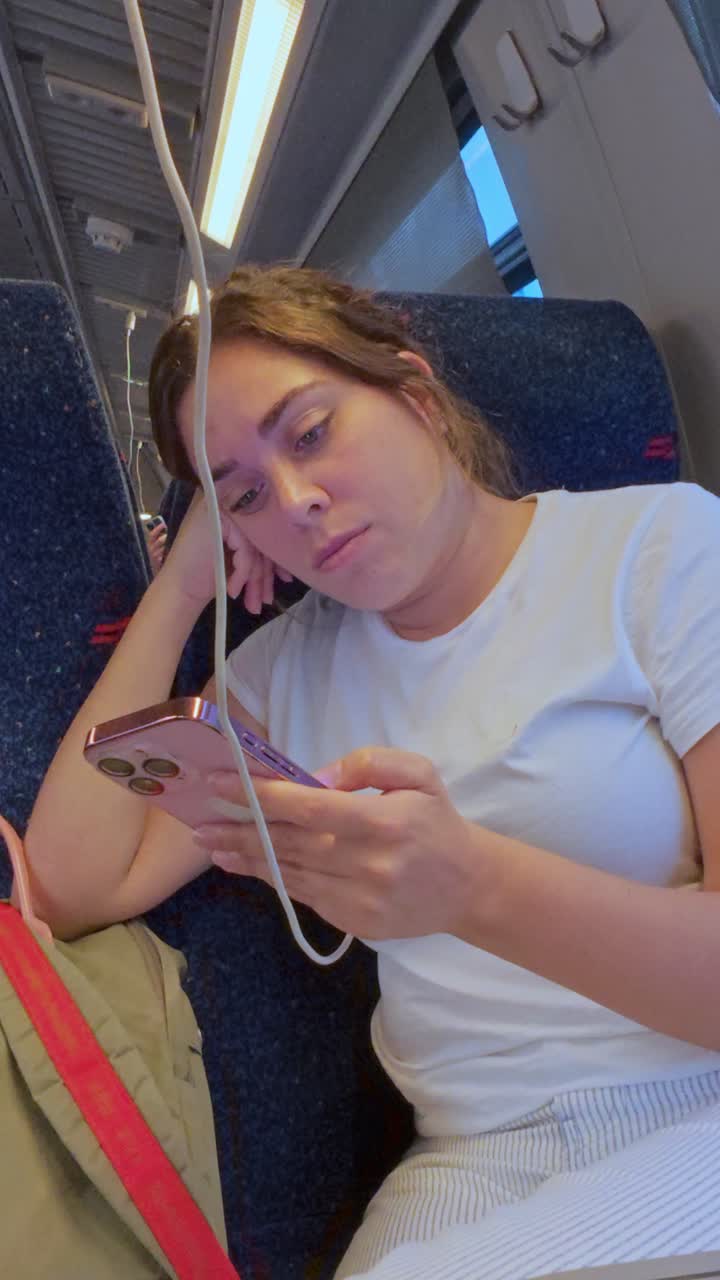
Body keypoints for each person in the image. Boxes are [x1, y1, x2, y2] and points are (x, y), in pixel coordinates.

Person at [22, 265, 720, 1280]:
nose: (298, 502)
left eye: (311, 433)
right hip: (470, 1155)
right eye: (248, 493)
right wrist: (180, 579)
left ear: (416, 394)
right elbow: (77, 881)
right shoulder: (284, 674)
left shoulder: (662, 549)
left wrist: (469, 885)